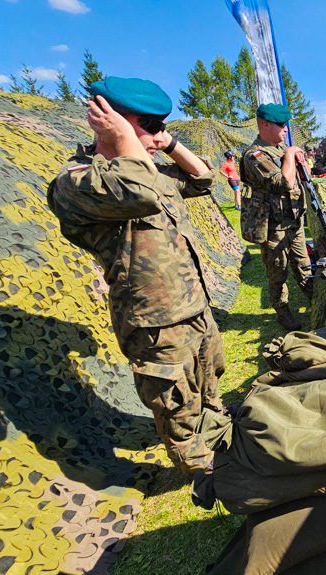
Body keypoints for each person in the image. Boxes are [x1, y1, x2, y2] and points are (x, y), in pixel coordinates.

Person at [47, 77, 229, 476]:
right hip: (154, 321)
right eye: (147, 122)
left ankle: (220, 440)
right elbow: (140, 192)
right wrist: (126, 138)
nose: (157, 133)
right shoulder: (77, 180)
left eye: (161, 124)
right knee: (176, 407)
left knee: (209, 384)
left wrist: (168, 142)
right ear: (104, 118)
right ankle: (206, 478)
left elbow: (202, 179)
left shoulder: (146, 166)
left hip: (192, 303)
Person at [239, 103, 313, 331]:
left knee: (304, 265)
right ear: (265, 124)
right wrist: (291, 154)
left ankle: (315, 299)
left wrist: (301, 163)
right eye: (281, 125)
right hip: (273, 225)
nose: (285, 130)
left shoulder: (281, 149)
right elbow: (283, 183)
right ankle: (283, 312)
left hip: (294, 220)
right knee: (278, 271)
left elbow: (303, 179)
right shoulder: (255, 155)